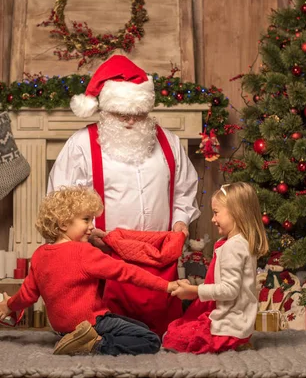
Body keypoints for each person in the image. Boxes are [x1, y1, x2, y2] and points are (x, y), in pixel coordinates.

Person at [47, 55, 200, 335]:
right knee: (107, 334)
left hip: (158, 258)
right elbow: (61, 202)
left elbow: (184, 190)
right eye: (121, 114)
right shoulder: (80, 145)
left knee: (163, 335)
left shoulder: (170, 142)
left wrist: (181, 222)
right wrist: (86, 236)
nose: (130, 121)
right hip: (104, 256)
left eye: (138, 113)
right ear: (106, 110)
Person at [0, 186, 179, 355]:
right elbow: (127, 272)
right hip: (91, 323)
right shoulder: (84, 251)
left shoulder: (39, 255)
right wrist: (167, 285)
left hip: (62, 328)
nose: (91, 227)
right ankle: (94, 345)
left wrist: (9, 305)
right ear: (63, 224)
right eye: (86, 220)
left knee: (140, 327)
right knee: (150, 339)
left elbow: (27, 295)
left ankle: (78, 339)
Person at [163, 182, 269, 354]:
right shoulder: (240, 243)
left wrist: (195, 290)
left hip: (229, 324)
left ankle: (230, 342)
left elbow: (230, 290)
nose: (212, 219)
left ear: (236, 213)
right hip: (241, 323)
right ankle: (238, 341)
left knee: (175, 337)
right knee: (179, 329)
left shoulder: (232, 247)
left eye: (216, 213)